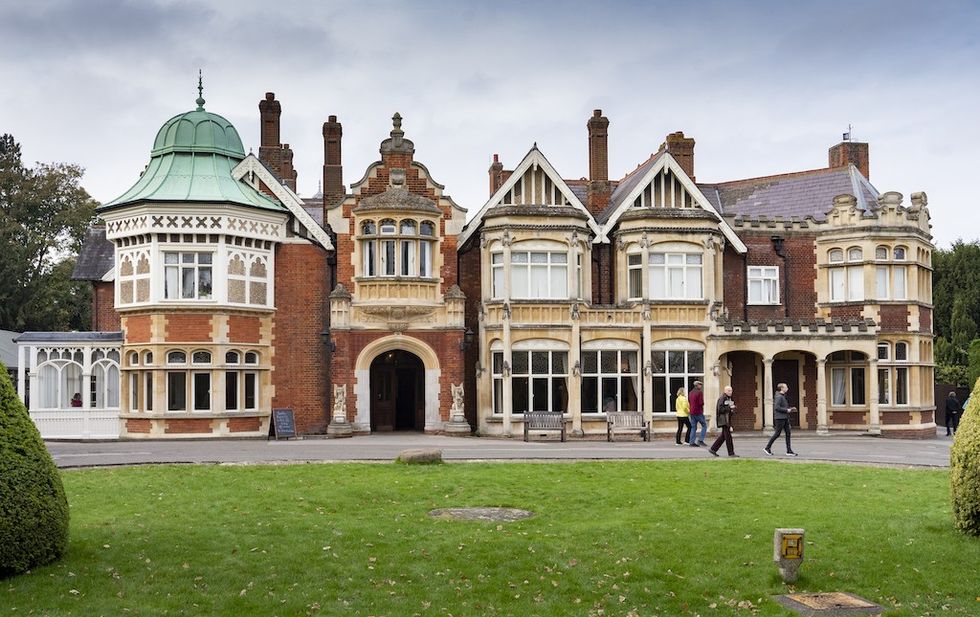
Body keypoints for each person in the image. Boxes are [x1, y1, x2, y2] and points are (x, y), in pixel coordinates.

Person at [764, 383, 798, 456]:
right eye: (786, 387)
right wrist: (786, 410)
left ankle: (789, 451)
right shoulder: (779, 397)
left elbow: (782, 406)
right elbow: (777, 407)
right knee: (777, 434)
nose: (787, 388)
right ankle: (767, 448)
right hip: (780, 418)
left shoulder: (782, 396)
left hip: (785, 418)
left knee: (788, 433)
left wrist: (790, 409)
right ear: (782, 388)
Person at [708, 386, 737, 457]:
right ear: (725, 391)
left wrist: (733, 409)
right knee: (728, 437)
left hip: (727, 420)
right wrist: (729, 408)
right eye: (729, 391)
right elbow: (720, 409)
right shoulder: (722, 398)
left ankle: (713, 449)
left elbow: (730, 407)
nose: (731, 392)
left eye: (731, 390)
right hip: (723, 420)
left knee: (723, 437)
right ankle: (731, 453)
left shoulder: (729, 398)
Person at [687, 381, 707, 447]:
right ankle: (700, 440)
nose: (701, 386)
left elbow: (689, 402)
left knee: (693, 427)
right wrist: (702, 405)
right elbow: (701, 402)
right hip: (698, 412)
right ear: (697, 385)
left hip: (692, 412)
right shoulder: (699, 392)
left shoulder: (690, 393)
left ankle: (691, 442)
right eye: (700, 385)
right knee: (704, 425)